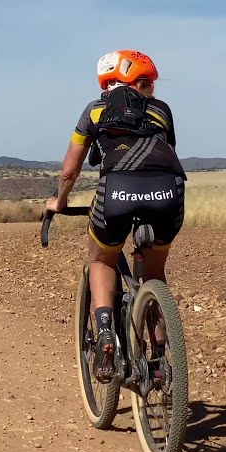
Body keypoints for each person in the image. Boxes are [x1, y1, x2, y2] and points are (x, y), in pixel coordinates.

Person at [44, 50, 186, 382]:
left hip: (117, 195)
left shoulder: (95, 110)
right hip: (169, 194)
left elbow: (70, 170)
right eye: (146, 83)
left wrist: (60, 202)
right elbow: (169, 155)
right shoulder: (162, 110)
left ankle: (105, 333)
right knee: (154, 272)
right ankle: (161, 359)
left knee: (102, 259)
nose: (151, 88)